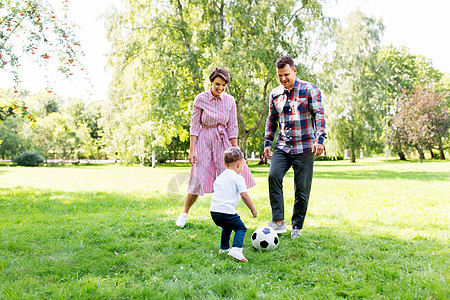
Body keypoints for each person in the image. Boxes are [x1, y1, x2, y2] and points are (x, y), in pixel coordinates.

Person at [176, 67, 256, 228]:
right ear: (211, 82)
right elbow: (194, 126)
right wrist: (192, 150)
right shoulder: (200, 99)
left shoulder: (230, 100)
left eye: (223, 86)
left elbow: (232, 127)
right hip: (204, 138)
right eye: (217, 84)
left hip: (222, 140)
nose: (220, 88)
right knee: (198, 177)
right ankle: (184, 212)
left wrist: (236, 150)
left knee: (227, 177)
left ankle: (227, 213)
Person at [264, 56, 326, 239]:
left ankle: (296, 226)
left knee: (302, 188)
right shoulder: (275, 94)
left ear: (294, 71)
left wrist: (320, 139)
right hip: (283, 146)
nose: (283, 79)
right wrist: (268, 142)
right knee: (273, 176)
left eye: (286, 74)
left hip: (306, 146)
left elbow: (319, 116)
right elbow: (271, 120)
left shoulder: (309, 90)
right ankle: (278, 222)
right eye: (279, 75)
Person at [210, 147, 257, 262]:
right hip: (226, 211)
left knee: (227, 226)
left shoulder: (220, 177)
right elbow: (244, 195)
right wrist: (252, 209)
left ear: (225, 163)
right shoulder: (238, 178)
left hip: (214, 211)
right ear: (240, 164)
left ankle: (224, 248)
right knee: (240, 228)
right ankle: (236, 249)